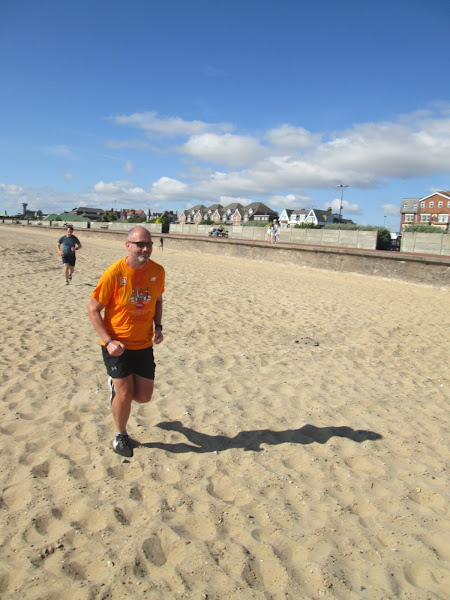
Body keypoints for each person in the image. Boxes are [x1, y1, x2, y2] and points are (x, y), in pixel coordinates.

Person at [88, 226, 165, 458]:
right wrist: (108, 340)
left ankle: (118, 388)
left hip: (143, 343)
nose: (145, 248)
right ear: (128, 245)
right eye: (140, 244)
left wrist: (158, 327)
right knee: (123, 394)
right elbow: (93, 310)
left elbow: (158, 300)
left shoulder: (158, 271)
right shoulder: (114, 273)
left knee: (143, 396)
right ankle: (121, 436)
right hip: (117, 345)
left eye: (149, 244)